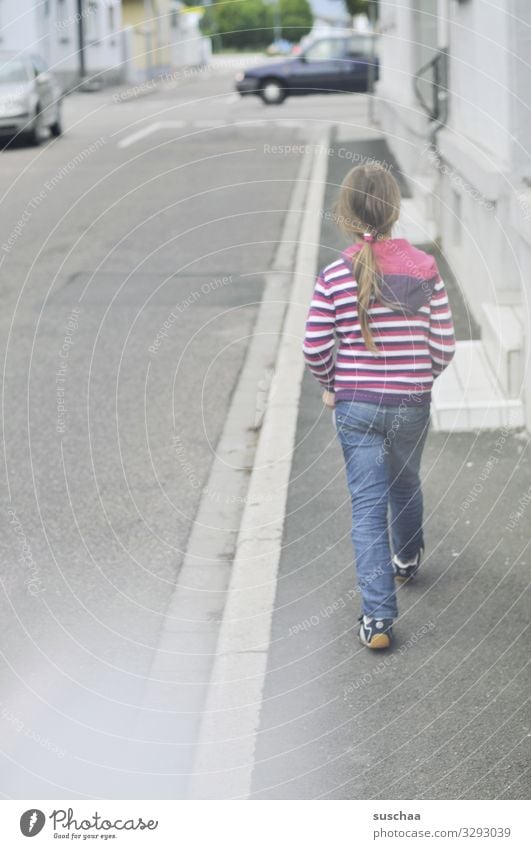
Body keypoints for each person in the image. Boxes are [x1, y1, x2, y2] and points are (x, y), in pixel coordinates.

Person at [303, 163, 456, 649]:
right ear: (395, 211)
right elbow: (445, 346)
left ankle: (378, 621)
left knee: (367, 506)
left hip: (357, 407)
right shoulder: (425, 269)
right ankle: (408, 559)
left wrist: (333, 383)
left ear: (346, 215)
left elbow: (313, 346)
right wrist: (420, 378)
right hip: (411, 403)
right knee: (405, 480)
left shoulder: (333, 275)